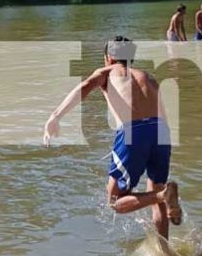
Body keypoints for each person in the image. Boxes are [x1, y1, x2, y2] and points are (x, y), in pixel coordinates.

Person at [43, 37, 181, 242]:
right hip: (162, 133)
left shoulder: (107, 72)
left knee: (115, 201)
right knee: (157, 197)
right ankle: (165, 249)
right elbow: (163, 117)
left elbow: (85, 86)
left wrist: (55, 116)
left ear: (109, 57)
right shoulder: (149, 77)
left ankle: (162, 196)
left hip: (134, 132)